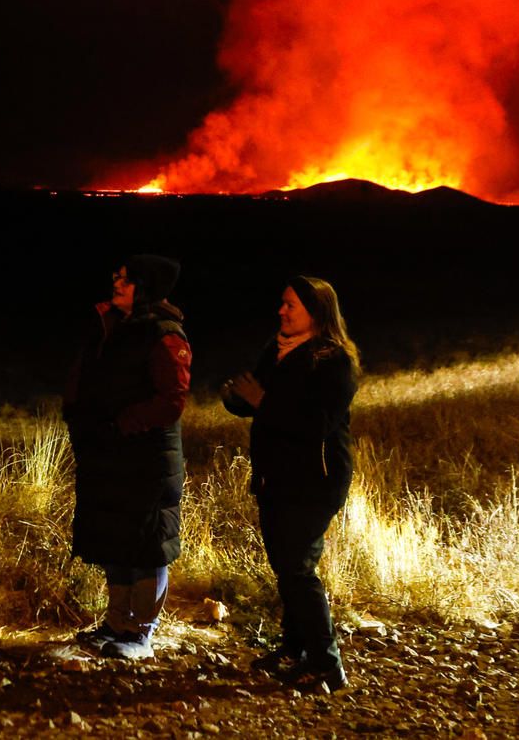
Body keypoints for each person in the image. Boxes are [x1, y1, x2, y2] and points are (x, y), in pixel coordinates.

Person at [221, 275, 359, 693]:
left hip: (315, 480)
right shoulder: (278, 350)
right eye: (281, 303)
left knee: (298, 570)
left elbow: (315, 424)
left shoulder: (333, 361)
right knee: (287, 567)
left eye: (291, 306)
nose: (281, 311)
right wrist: (237, 399)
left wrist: (263, 401)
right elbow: (258, 405)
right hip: (275, 477)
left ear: (316, 313)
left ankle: (327, 665)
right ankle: (293, 650)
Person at [63, 254, 192, 661]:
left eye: (127, 279)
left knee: (147, 542)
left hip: (146, 457)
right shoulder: (112, 328)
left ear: (148, 286)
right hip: (111, 454)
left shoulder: (163, 334)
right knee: (115, 537)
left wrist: (124, 424)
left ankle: (141, 632)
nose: (116, 284)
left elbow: (171, 400)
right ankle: (116, 622)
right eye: (116, 276)